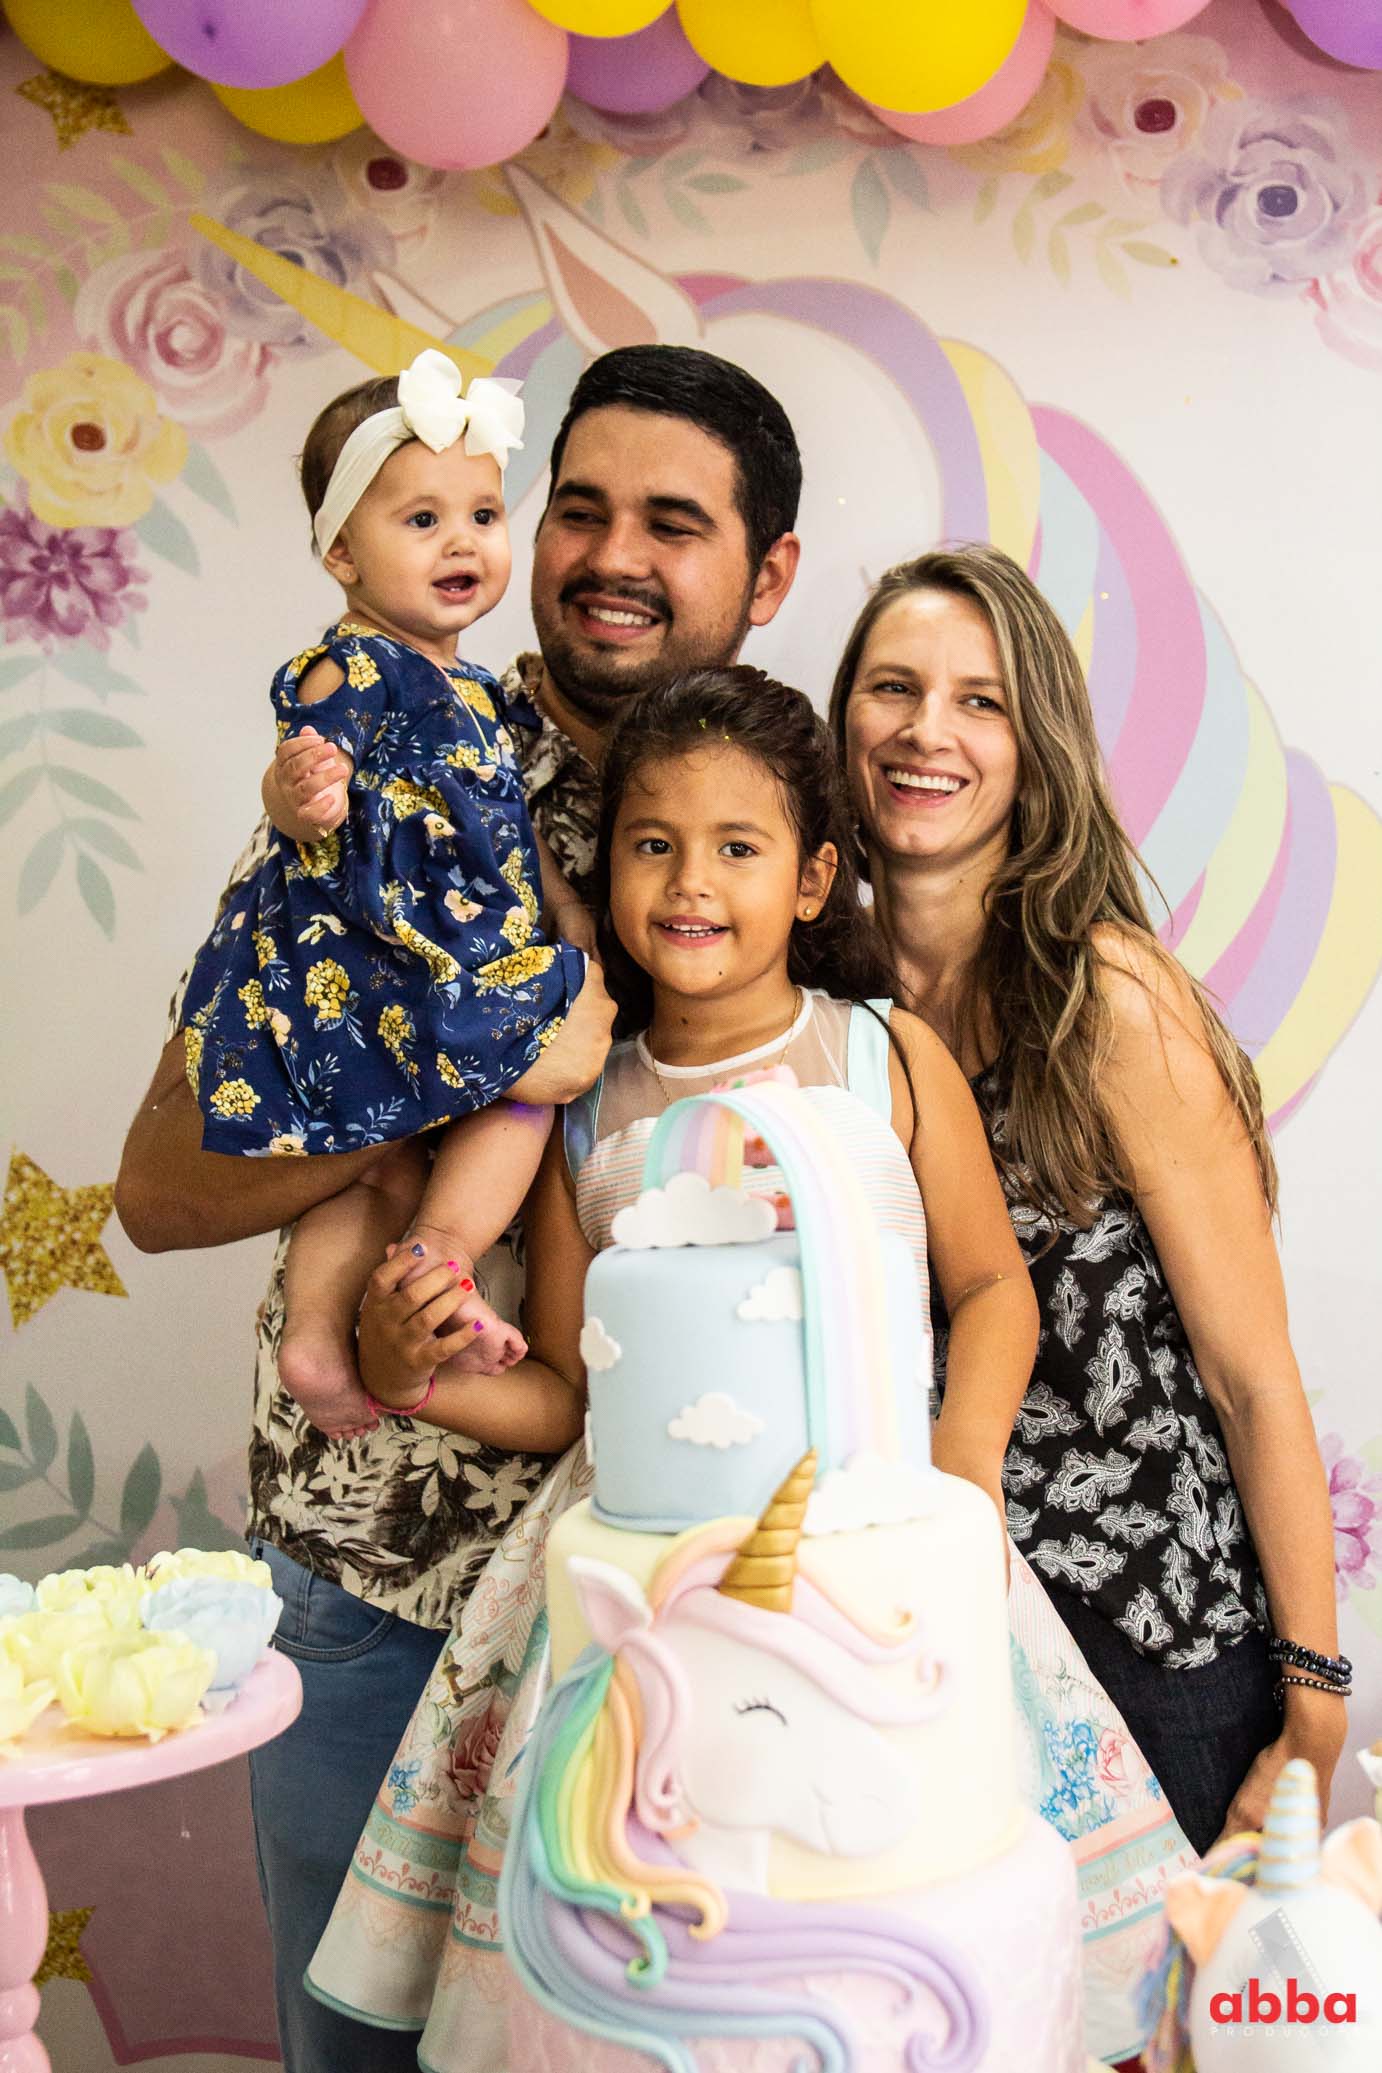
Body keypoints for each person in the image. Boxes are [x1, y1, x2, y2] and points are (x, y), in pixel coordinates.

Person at [113, 345, 803, 2073]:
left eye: (672, 522)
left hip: (683, 1610)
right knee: (355, 2044)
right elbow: (162, 1188)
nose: (609, 555)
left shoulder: (789, 822)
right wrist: (473, 1068)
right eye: (579, 508)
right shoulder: (404, 759)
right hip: (374, 1580)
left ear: (769, 572)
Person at [307, 667, 1043, 2066]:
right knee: (647, 1961)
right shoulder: (582, 1108)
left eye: (737, 846)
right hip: (642, 1578)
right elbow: (565, 1394)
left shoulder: (882, 1057)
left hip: (880, 1547)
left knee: (904, 1894)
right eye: (652, 844)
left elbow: (992, 1286)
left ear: (813, 879)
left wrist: (960, 1476)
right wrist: (413, 1374)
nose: (689, 882)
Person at [829, 543, 1347, 1856]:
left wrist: (1315, 1699)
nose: (926, 730)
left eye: (979, 700)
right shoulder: (824, 1011)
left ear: (1034, 748)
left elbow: (1250, 1379)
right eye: (893, 688)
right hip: (925, 1650)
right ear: (843, 723)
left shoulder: (1103, 999)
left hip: (1155, 1658)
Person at [178, 348, 609, 1443]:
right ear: (341, 553)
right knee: (527, 1084)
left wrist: (561, 906)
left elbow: (506, 828)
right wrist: (299, 798)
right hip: (390, 957)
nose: (462, 541)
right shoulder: (360, 667)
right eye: (421, 520)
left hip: (425, 953)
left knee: (371, 1175)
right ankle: (440, 1258)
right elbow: (302, 761)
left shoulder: (476, 694)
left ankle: (319, 1339)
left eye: (481, 515)